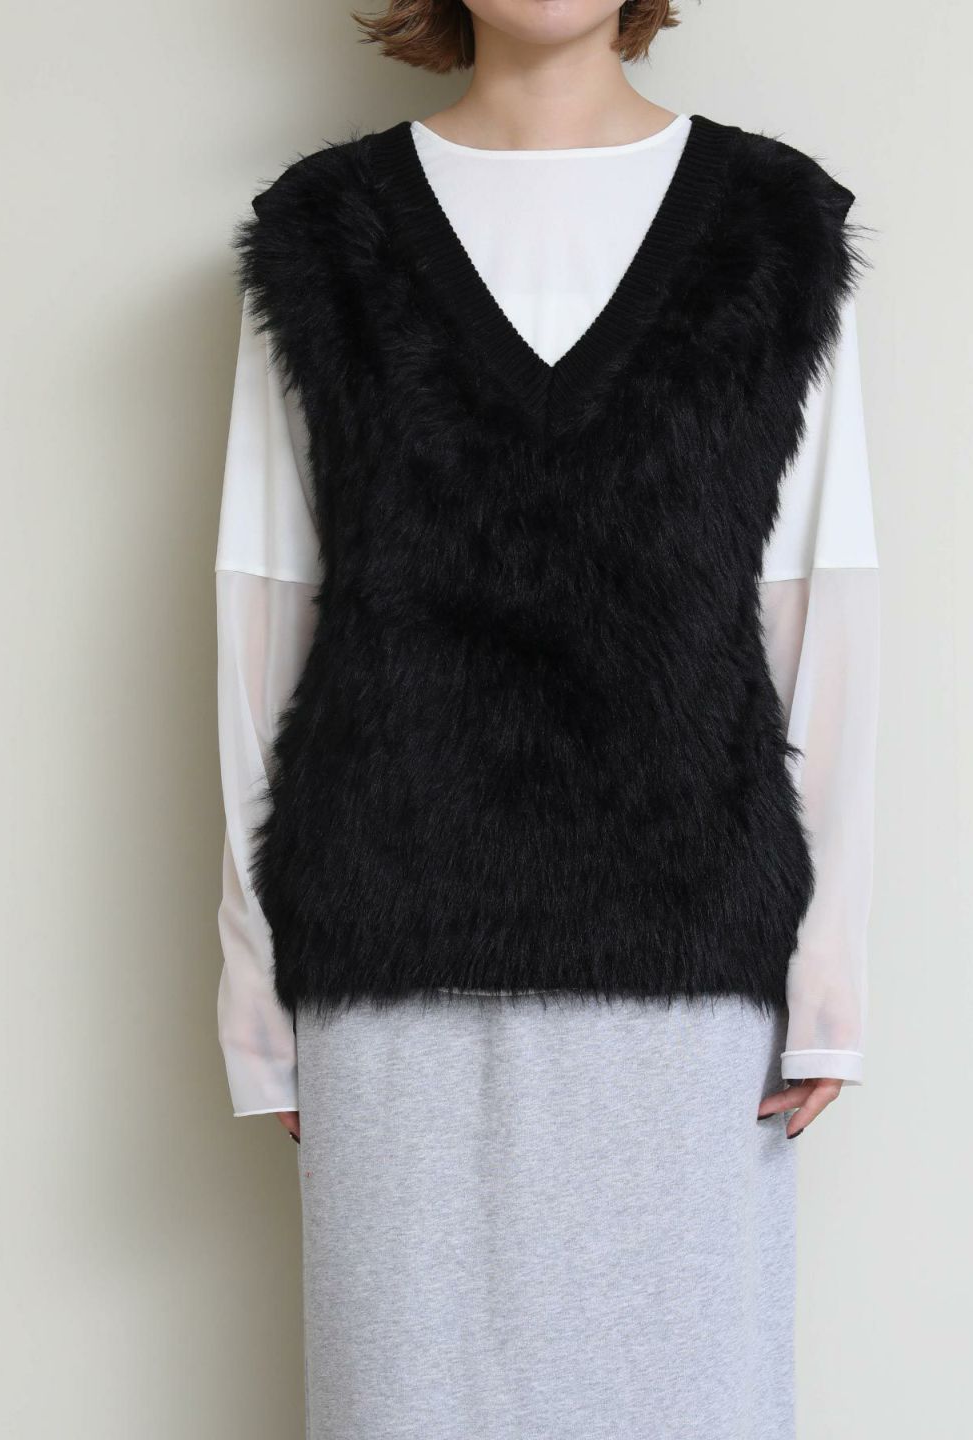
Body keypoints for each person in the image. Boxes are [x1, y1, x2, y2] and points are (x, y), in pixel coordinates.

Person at [213, 3, 879, 1435]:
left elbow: (819, 610)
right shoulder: (328, 237)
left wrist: (826, 973)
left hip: (691, 965)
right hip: (390, 959)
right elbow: (262, 616)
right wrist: (256, 988)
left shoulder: (772, 230)